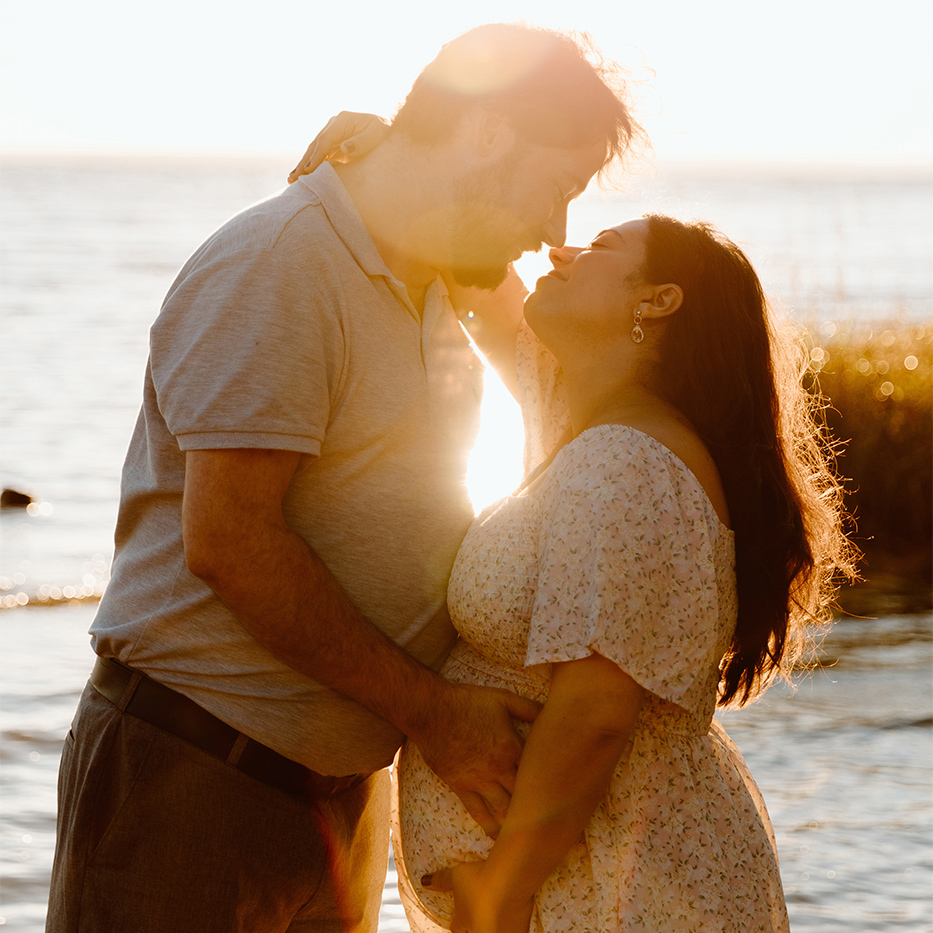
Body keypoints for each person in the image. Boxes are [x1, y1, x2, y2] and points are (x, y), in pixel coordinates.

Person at [45, 24, 643, 933]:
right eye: (553, 188)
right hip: (194, 781)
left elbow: (560, 383)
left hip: (339, 800)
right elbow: (232, 544)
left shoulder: (443, 276)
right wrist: (437, 715)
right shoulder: (282, 263)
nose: (553, 230)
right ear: (484, 136)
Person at [392, 217, 855, 932]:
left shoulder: (624, 460)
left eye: (599, 247)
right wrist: (396, 156)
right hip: (597, 875)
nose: (560, 248)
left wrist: (500, 899)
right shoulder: (585, 425)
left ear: (656, 301)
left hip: (617, 888)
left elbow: (594, 712)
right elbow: (482, 286)